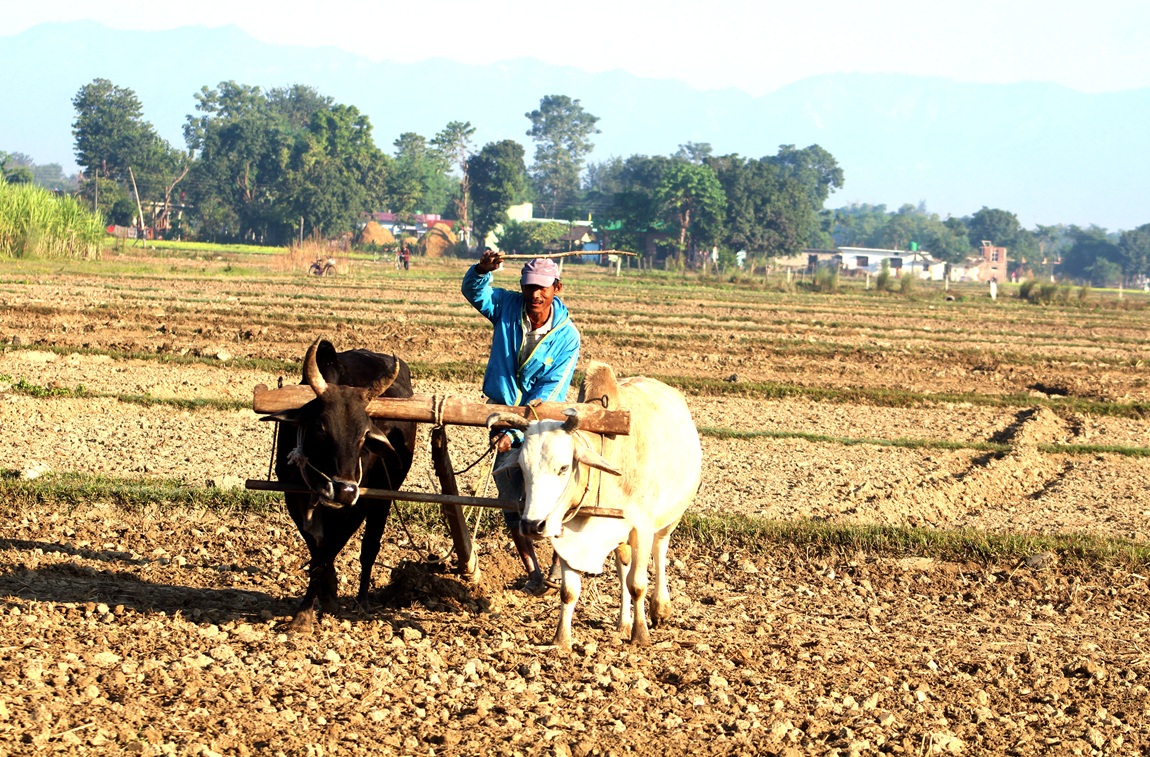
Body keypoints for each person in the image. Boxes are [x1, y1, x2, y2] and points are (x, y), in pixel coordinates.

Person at [462, 249, 580, 595]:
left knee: (555, 495)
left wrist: (515, 430)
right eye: (529, 288)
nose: (535, 295)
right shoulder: (507, 306)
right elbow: (475, 292)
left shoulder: (567, 336)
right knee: (511, 497)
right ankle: (533, 571)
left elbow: (550, 390)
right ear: (522, 288)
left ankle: (559, 564)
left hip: (543, 421)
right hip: (501, 415)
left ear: (556, 288)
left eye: (542, 288)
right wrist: (482, 269)